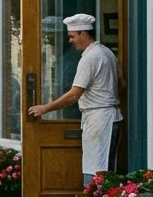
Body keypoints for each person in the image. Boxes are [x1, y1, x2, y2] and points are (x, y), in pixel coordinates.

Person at [28, 14, 123, 185]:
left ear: (83, 34)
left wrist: (46, 108)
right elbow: (121, 84)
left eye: (72, 36)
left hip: (100, 119)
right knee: (105, 168)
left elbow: (74, 94)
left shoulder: (90, 57)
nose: (70, 40)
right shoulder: (106, 52)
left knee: (97, 171)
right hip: (107, 117)